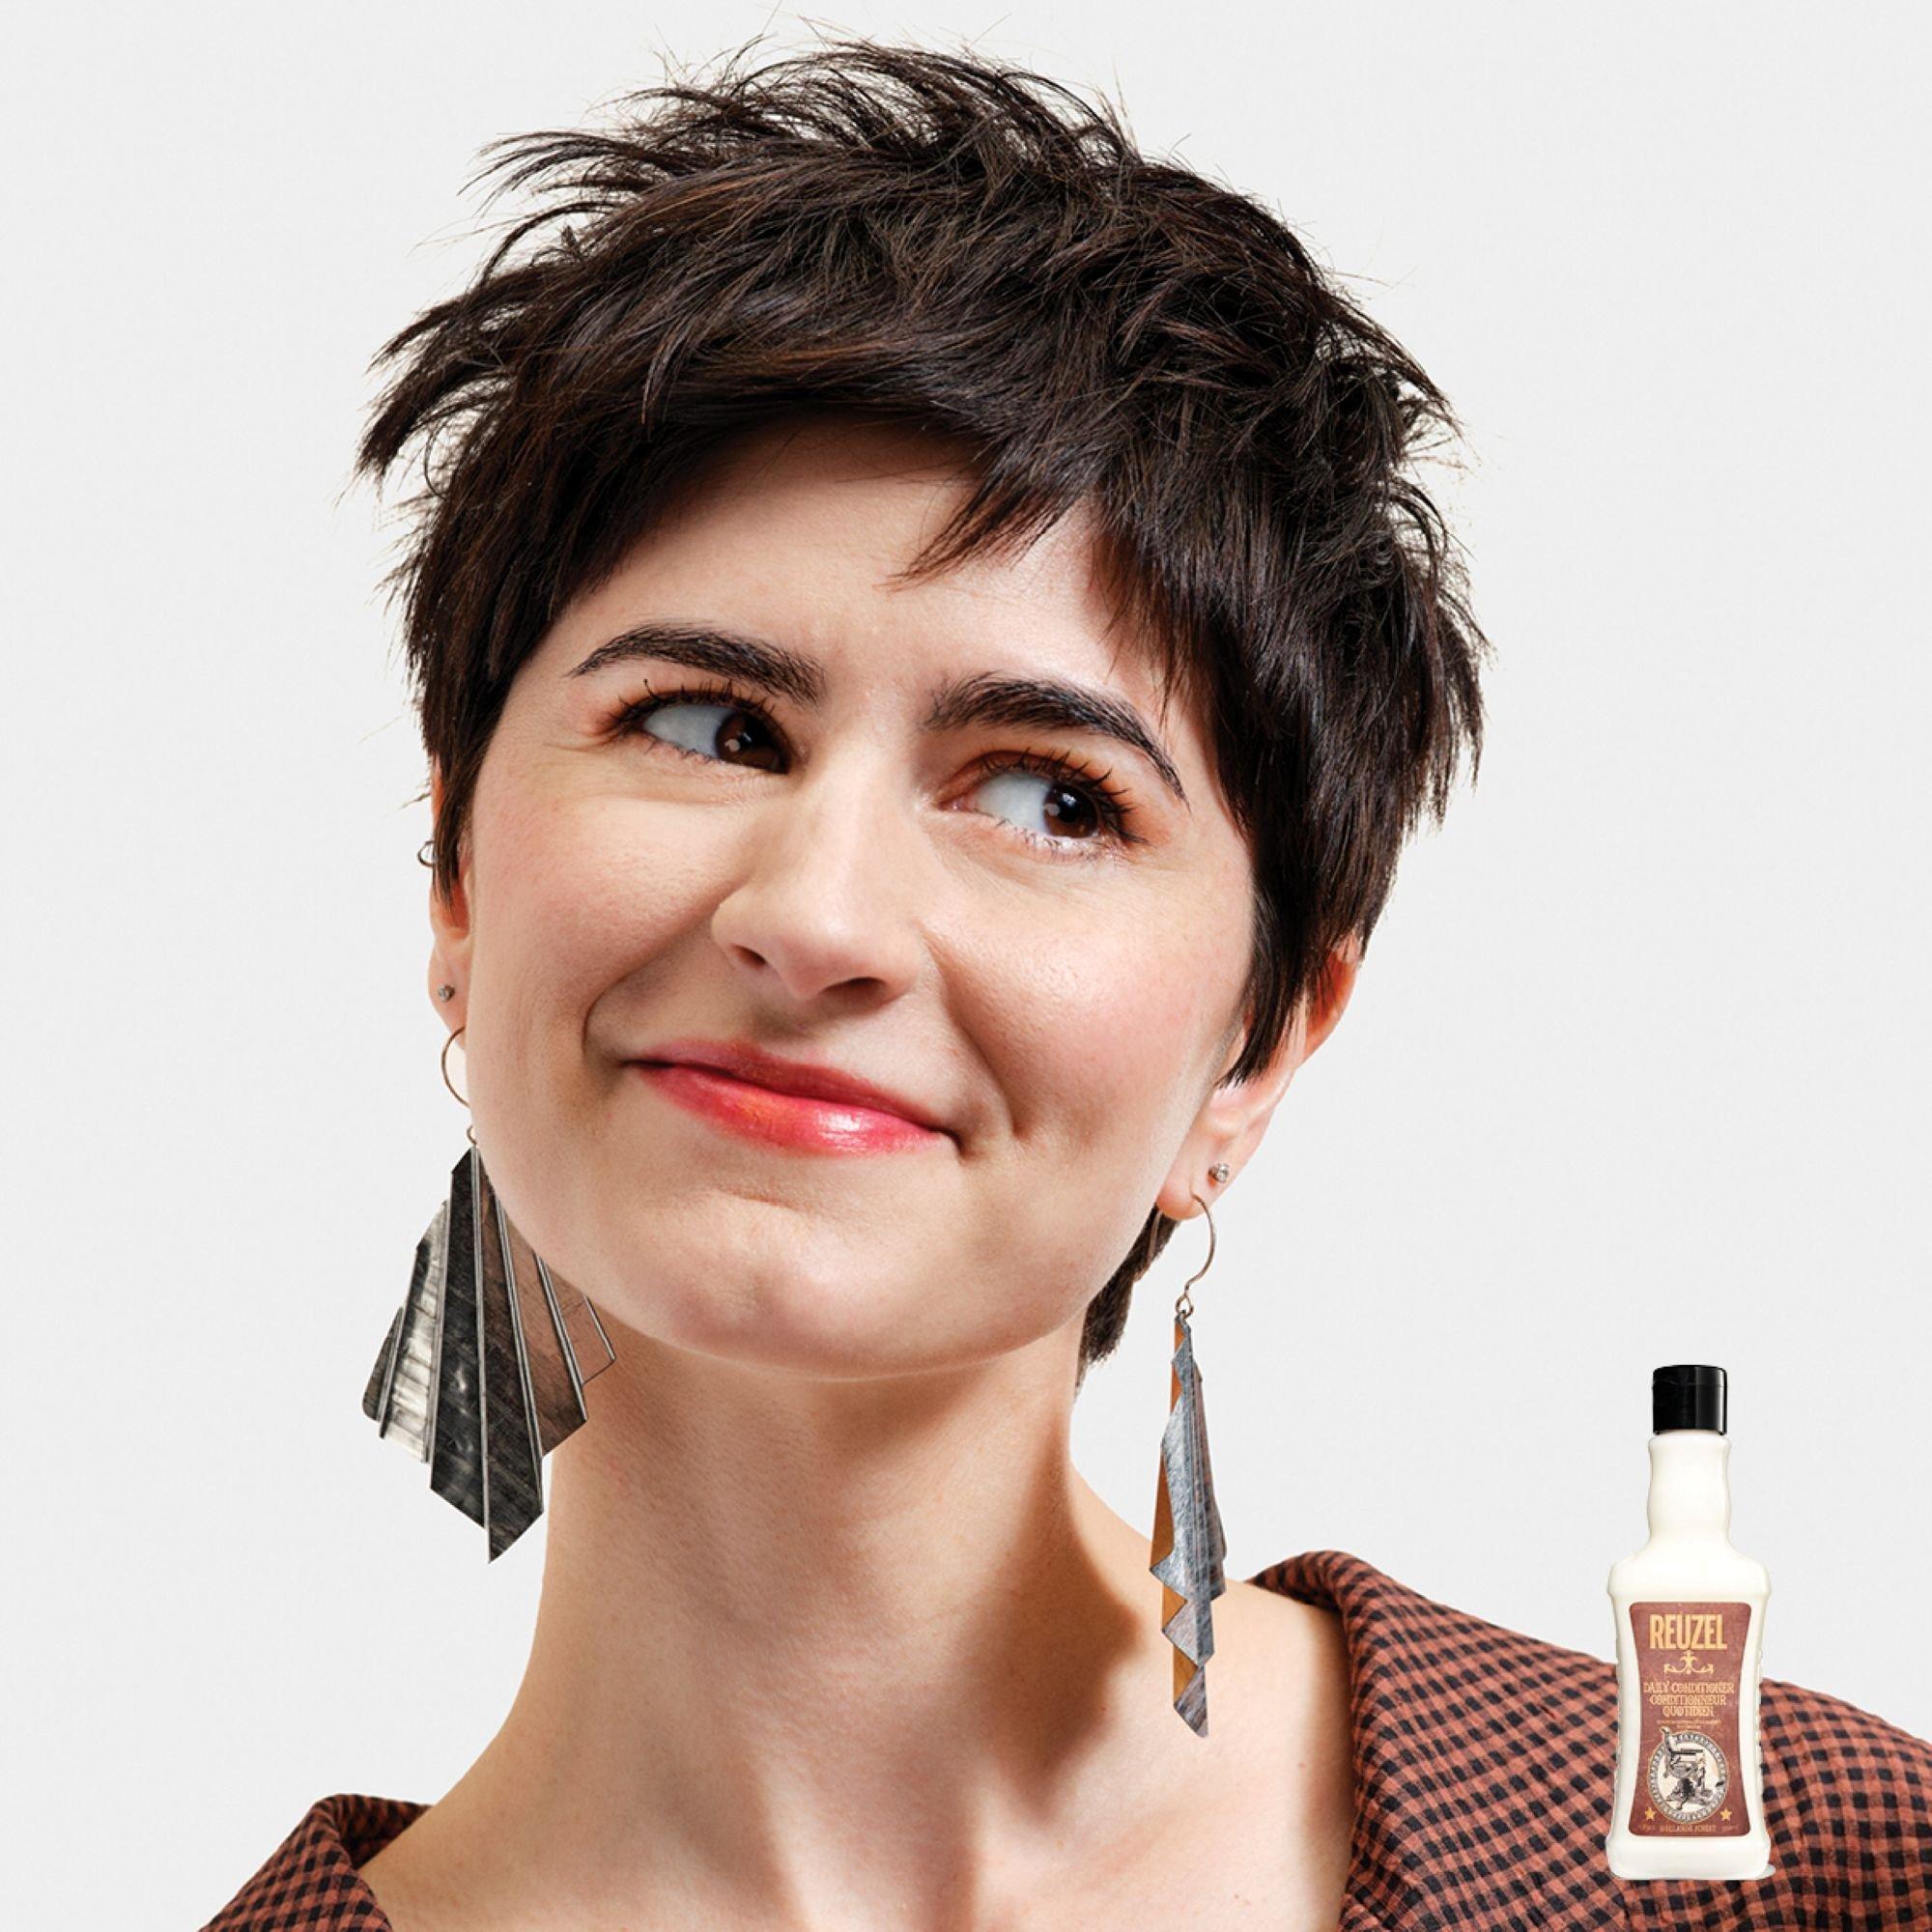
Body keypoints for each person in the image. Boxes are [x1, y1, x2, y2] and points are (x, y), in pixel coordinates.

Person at [204, 39, 1932, 1932]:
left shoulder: (1815, 1871)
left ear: (1260, 1047)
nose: (820, 916)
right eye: (707, 724)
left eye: (1051, 797)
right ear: (457, 873)